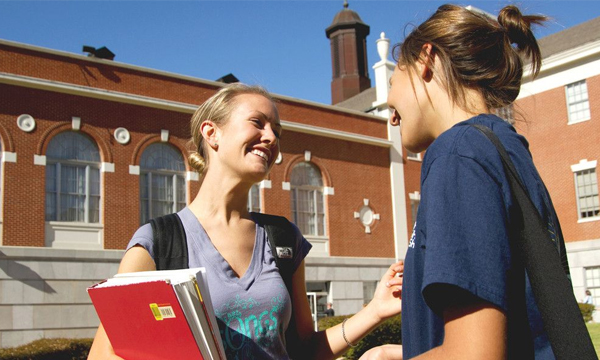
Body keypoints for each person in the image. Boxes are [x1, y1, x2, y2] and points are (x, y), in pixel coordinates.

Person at [88, 83, 404, 360]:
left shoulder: (283, 237)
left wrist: (374, 311)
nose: (271, 138)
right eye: (258, 123)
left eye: (277, 132)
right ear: (212, 133)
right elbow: (106, 353)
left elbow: (304, 349)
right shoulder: (158, 242)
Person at [360, 4, 560, 360]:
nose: (390, 114)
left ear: (427, 59)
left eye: (393, 83)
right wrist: (394, 353)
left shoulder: (457, 154)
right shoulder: (503, 148)